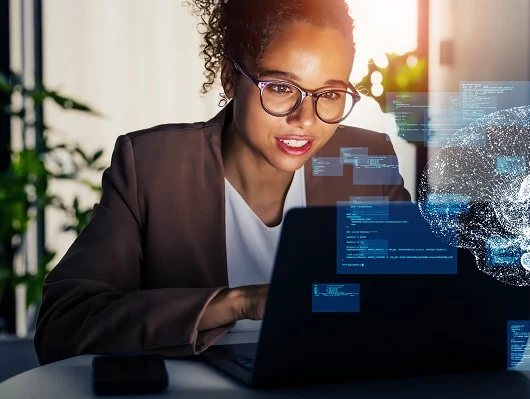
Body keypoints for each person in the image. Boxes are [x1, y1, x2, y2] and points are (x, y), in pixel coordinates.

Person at [34, 0, 410, 365]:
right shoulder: (151, 167)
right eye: (280, 88)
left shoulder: (366, 160)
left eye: (329, 94)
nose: (305, 120)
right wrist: (238, 302)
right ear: (231, 79)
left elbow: (420, 298)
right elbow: (62, 326)